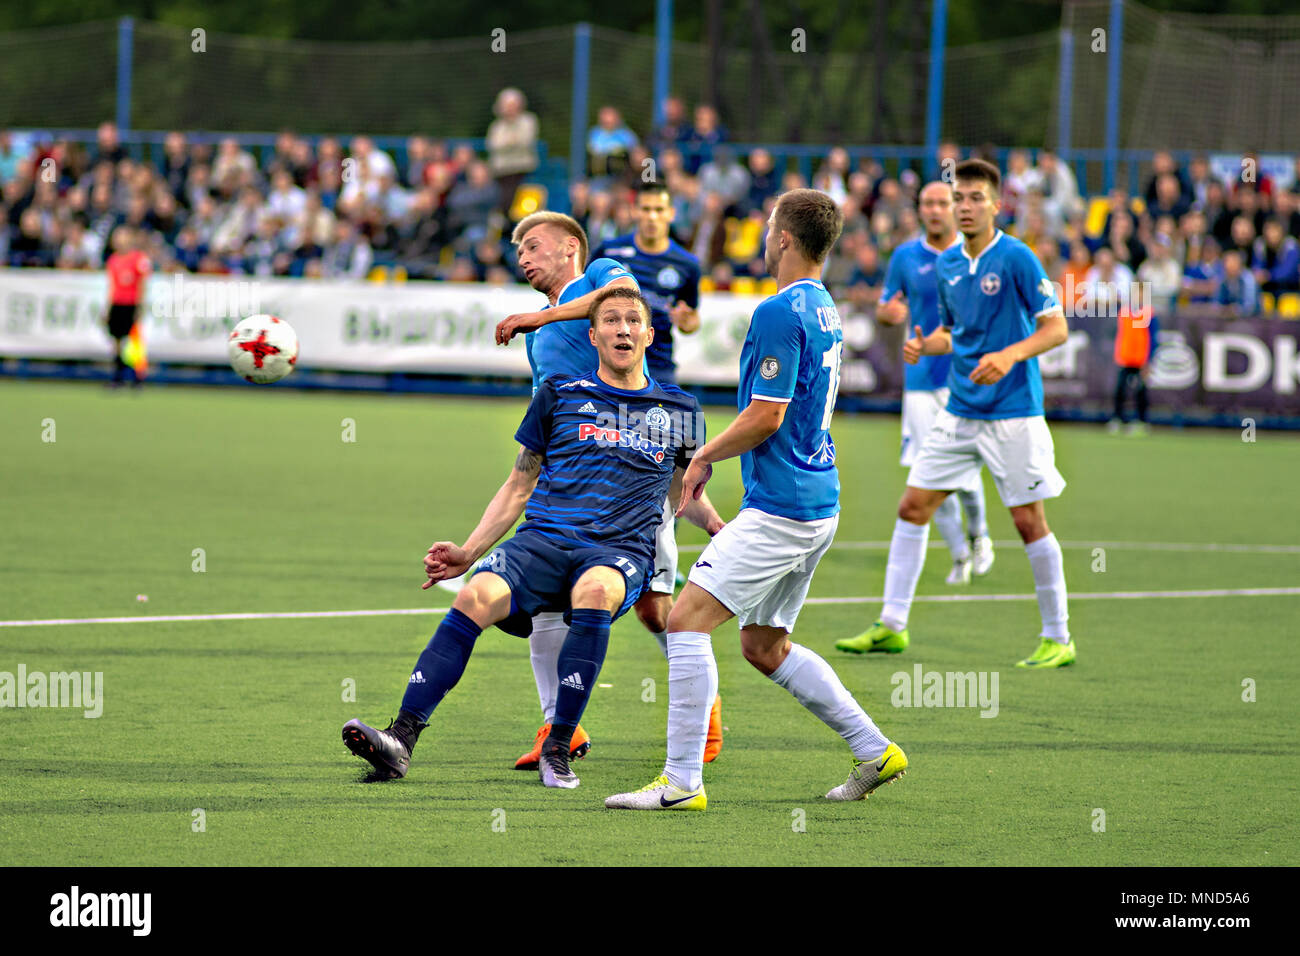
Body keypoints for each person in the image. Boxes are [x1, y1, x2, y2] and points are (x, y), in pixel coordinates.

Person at [343, 287, 722, 789]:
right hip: (541, 540)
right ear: (593, 334)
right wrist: (468, 551)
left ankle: (559, 748)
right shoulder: (560, 393)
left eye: (633, 320)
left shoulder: (680, 409)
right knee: (477, 594)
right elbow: (519, 484)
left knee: (595, 592)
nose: (623, 329)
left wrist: (719, 529)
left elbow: (684, 492)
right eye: (610, 320)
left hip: (618, 550)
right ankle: (400, 739)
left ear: (650, 334)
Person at [605, 188, 908, 812]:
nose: (764, 238)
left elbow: (767, 416)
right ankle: (874, 750)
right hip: (817, 500)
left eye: (769, 228)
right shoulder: (823, 306)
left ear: (784, 240)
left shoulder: (779, 310)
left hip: (784, 506)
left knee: (685, 619)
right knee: (762, 644)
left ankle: (681, 782)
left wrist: (702, 456)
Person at [839, 159, 1074, 669]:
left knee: (1028, 521)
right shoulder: (947, 265)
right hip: (961, 410)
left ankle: (1058, 636)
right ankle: (892, 626)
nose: (965, 208)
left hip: (1013, 412)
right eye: (958, 198)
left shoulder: (1017, 257)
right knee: (912, 506)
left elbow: (1056, 328)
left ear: (995, 205)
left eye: (973, 199)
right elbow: (955, 333)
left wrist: (1010, 354)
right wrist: (927, 345)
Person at [591, 180, 723, 760]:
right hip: (609, 391)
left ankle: (706, 711)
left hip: (656, 394)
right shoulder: (615, 254)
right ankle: (557, 727)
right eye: (642, 206)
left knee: (653, 608)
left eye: (658, 208)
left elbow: (692, 321)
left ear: (671, 214)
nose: (649, 215)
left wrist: (688, 322)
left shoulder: (685, 263)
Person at [845, 181, 993, 603]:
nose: (934, 210)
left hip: (964, 376)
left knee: (964, 474)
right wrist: (889, 311)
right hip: (921, 381)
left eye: (941, 202)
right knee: (927, 472)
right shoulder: (906, 256)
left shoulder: (975, 254)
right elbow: (887, 305)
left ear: (955, 207)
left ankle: (980, 536)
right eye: (927, 203)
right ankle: (961, 555)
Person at [103, 226, 150, 388]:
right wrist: (108, 308)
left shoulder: (138, 259)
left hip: (131, 303)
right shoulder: (113, 260)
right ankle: (118, 376)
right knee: (116, 341)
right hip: (117, 303)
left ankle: (137, 377)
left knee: (134, 342)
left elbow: (142, 284)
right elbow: (112, 286)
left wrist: (140, 305)